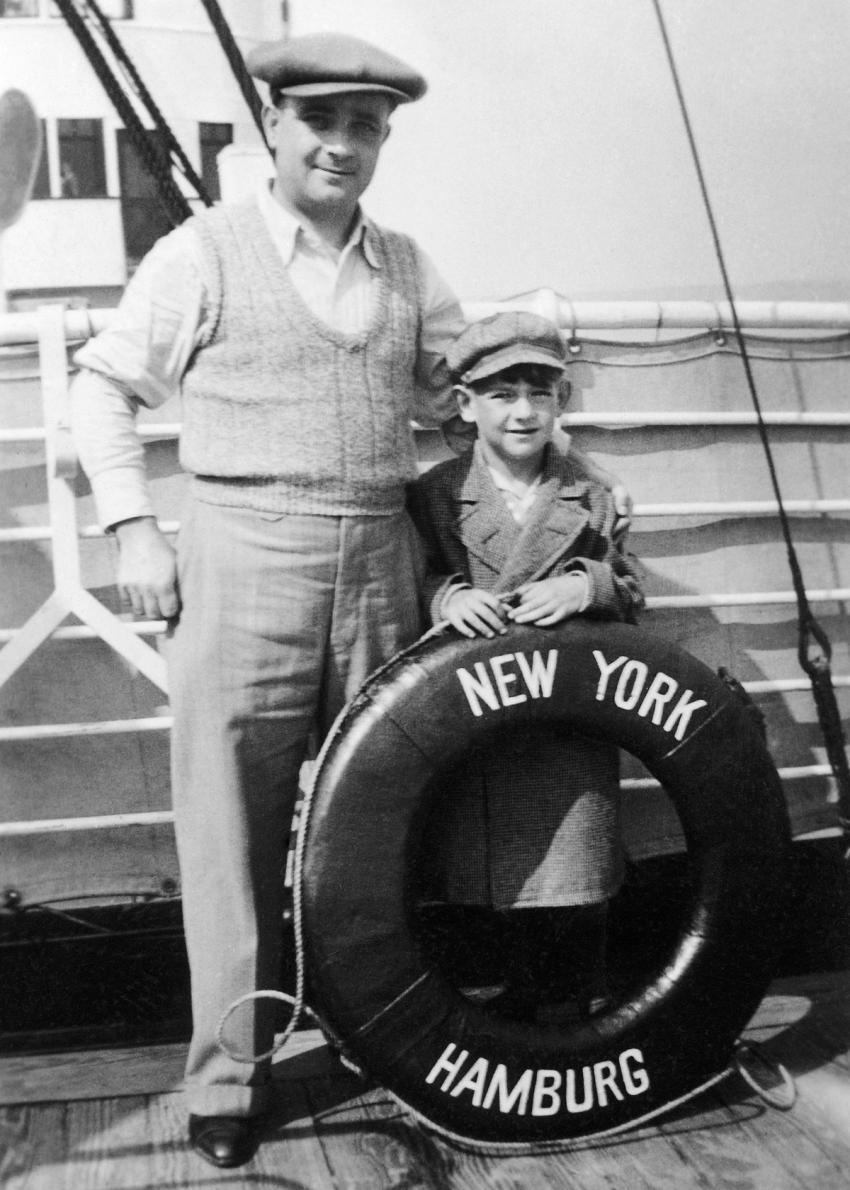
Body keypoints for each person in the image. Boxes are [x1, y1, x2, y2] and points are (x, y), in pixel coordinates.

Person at [71, 32, 629, 1169]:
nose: (343, 145)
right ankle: (229, 1077)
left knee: (374, 815)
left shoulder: (408, 265)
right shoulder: (203, 254)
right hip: (243, 552)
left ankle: (376, 1032)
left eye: (366, 126)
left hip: (378, 555)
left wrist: (553, 446)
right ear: (273, 126)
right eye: (321, 122)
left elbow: (457, 382)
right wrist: (132, 523)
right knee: (231, 824)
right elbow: (102, 387)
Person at [408, 311, 644, 1023]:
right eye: (502, 394)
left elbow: (630, 588)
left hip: (569, 724)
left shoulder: (594, 494)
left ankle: (574, 1006)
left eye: (539, 394)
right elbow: (410, 577)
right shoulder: (436, 495)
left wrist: (585, 587)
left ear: (561, 403)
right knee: (497, 864)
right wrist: (448, 597)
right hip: (482, 723)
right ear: (466, 405)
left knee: (572, 860)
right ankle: (514, 1003)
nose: (522, 411)